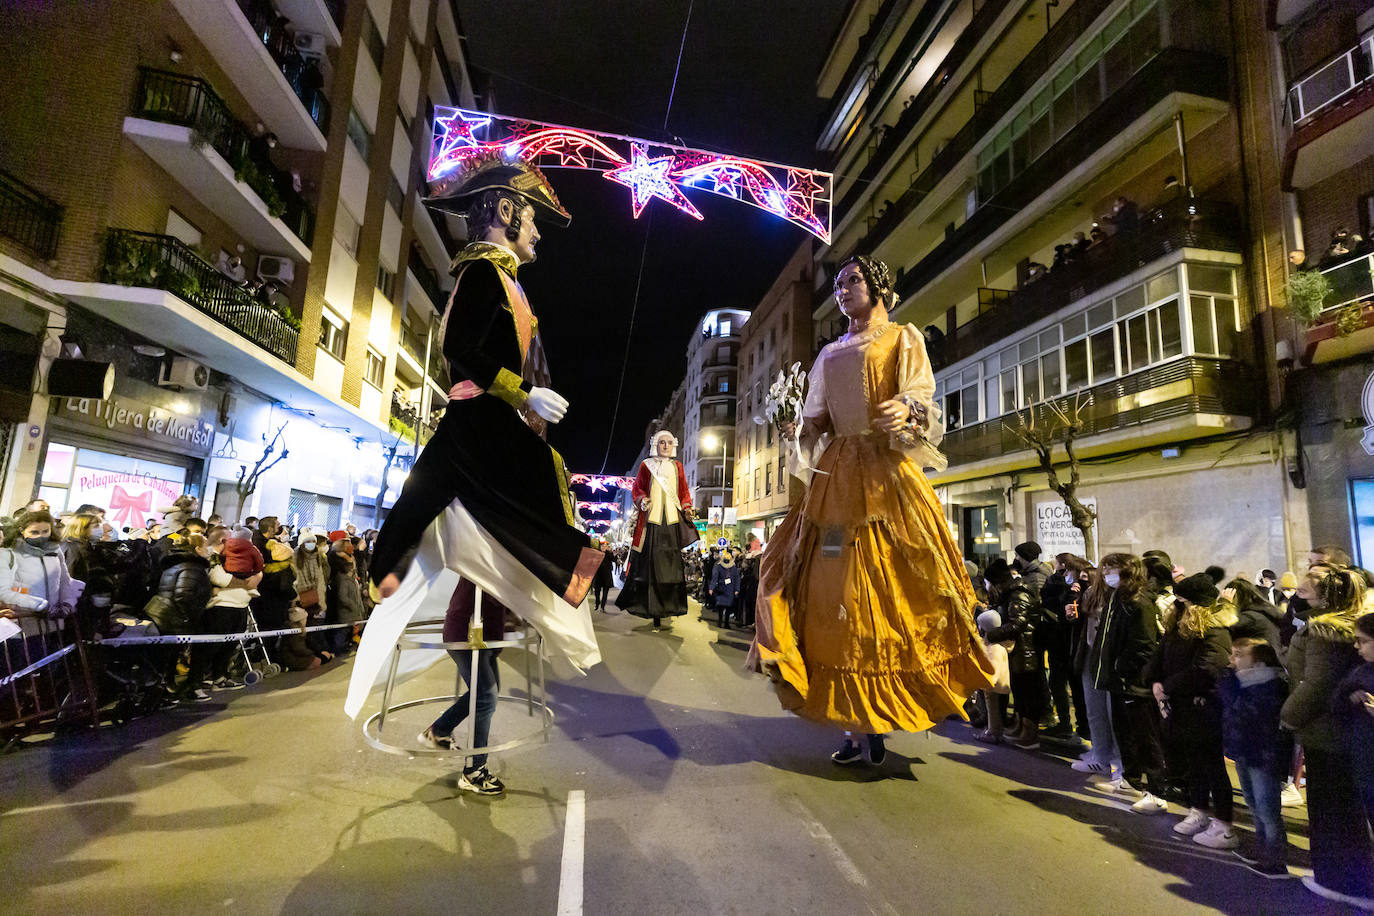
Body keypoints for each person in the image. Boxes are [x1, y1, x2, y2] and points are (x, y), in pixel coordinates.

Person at [350, 155, 603, 788]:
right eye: (533, 220)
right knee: (527, 478)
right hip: (480, 422)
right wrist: (523, 394)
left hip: (489, 423)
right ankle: (391, 567)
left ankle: (396, 564)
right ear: (508, 214)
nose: (538, 232)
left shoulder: (507, 281)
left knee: (515, 479)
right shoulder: (485, 275)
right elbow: (462, 349)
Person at [749, 254, 994, 766]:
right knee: (829, 591)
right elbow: (816, 418)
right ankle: (852, 722)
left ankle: (879, 719)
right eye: (837, 284)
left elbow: (921, 397)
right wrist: (798, 429)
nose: (843, 290)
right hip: (837, 477)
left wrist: (906, 410)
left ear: (878, 285)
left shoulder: (902, 337)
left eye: (853, 280)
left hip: (884, 475)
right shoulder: (829, 353)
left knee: (888, 592)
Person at [1283, 567, 1374, 907]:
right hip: (1344, 730)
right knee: (1346, 811)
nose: (1302, 580)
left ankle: (1341, 882)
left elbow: (1315, 685)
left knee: (1330, 811)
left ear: (1324, 592)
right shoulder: (1347, 627)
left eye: (1312, 577)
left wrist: (1288, 718)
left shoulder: (1324, 631)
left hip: (1324, 731)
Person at [1145, 573, 1236, 847]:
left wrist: (1167, 686)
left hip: (1203, 706)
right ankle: (1199, 811)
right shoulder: (1178, 628)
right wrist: (1154, 681)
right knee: (1193, 764)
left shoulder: (1214, 629)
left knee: (1212, 766)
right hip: (1182, 706)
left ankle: (1224, 824)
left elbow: (1208, 668)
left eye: (1181, 601)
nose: (1175, 605)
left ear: (1194, 604)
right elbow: (1161, 657)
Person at [1218, 638, 1293, 878]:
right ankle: (1263, 852)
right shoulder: (1243, 682)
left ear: (1259, 659)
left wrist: (1229, 685)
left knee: (1267, 809)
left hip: (1263, 755)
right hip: (1245, 752)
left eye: (1239, 655)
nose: (1233, 660)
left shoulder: (1270, 685)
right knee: (1253, 803)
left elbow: (1245, 711)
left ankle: (1276, 860)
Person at [617, 430, 696, 627]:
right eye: (662, 442)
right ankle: (650, 608)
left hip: (670, 522)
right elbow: (637, 488)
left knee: (669, 567)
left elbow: (684, 492)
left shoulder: (677, 466)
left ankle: (667, 607)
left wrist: (687, 509)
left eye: (669, 442)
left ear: (674, 445)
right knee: (649, 566)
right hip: (651, 522)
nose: (666, 446)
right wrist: (642, 500)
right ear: (656, 445)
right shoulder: (646, 465)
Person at [986, 558, 1045, 750]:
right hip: (1019, 650)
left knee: (1028, 693)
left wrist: (991, 635)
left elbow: (1017, 623)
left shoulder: (1018, 593)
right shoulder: (1011, 593)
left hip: (1026, 650)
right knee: (1020, 692)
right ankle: (1021, 727)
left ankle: (1029, 734)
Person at [326, 533, 365, 655]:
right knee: (340, 628)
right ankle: (338, 648)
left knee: (347, 627)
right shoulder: (336, 561)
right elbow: (342, 595)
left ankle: (344, 644)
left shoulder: (350, 558)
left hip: (351, 593)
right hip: (340, 600)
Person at [709, 550, 741, 626]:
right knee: (721, 606)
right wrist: (712, 587)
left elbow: (737, 578)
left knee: (728, 607)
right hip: (722, 588)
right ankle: (720, 621)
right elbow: (715, 577)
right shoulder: (719, 566)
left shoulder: (733, 567)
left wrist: (737, 589)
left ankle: (726, 623)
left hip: (730, 589)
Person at [590, 538, 614, 611]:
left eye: (605, 546)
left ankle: (603, 606)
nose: (604, 547)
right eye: (602, 546)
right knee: (597, 592)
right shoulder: (597, 553)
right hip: (598, 576)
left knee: (605, 593)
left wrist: (611, 552)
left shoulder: (609, 554)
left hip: (607, 577)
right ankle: (597, 604)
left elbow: (614, 559)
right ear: (600, 546)